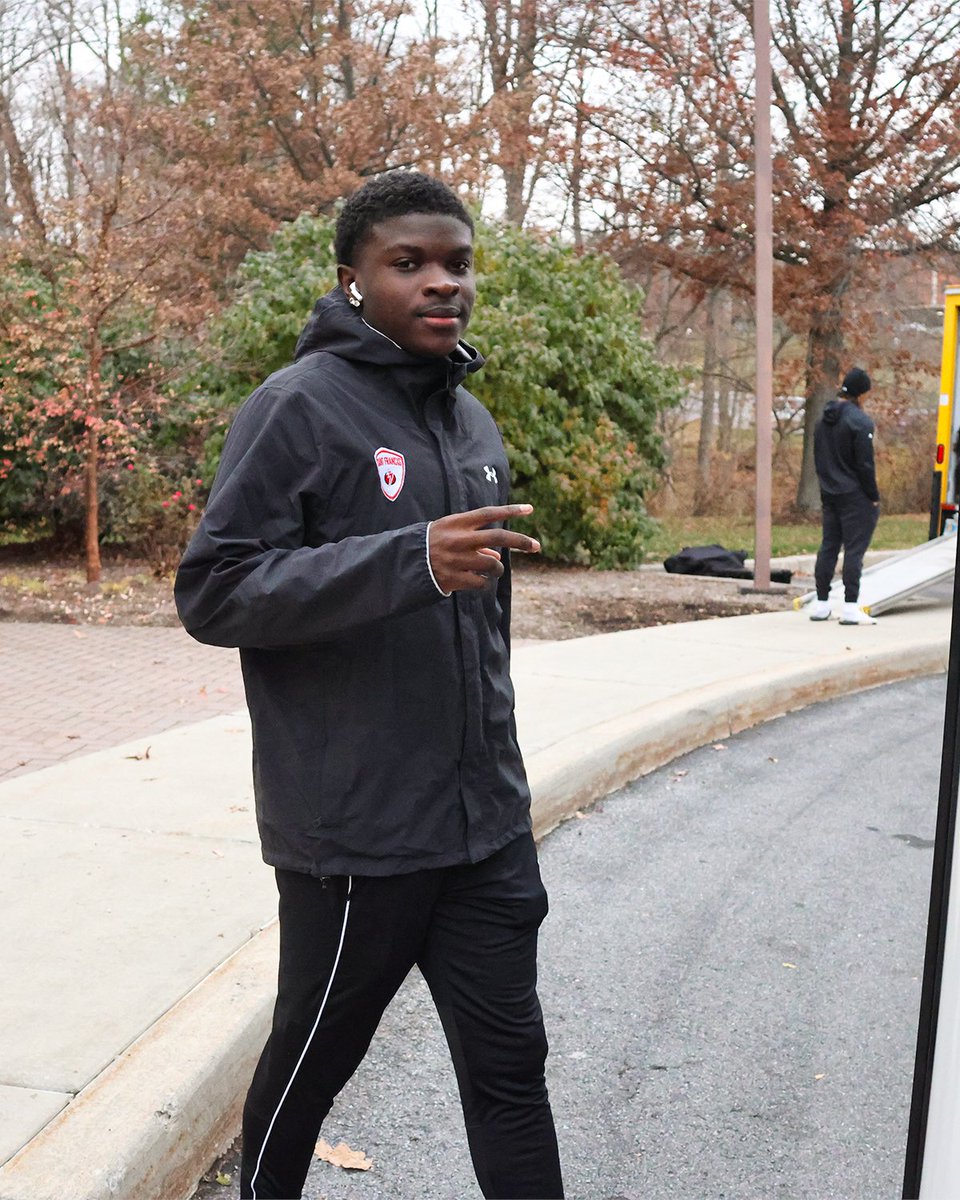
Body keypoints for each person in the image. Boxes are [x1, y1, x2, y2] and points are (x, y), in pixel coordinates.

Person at [174, 171, 564, 1200]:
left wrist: (505, 786)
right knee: (309, 1076)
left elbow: (485, 631)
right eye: (410, 264)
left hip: (483, 835)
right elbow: (214, 592)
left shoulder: (470, 423)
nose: (443, 284)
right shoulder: (296, 408)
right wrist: (406, 561)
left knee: (512, 1077)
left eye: (458, 263)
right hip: (357, 838)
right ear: (352, 280)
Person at [809, 367, 880, 625]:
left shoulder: (822, 420)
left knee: (828, 547)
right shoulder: (861, 422)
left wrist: (826, 486)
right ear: (861, 394)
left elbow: (818, 457)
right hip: (855, 496)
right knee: (854, 551)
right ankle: (850, 606)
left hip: (830, 493)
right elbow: (865, 464)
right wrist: (873, 496)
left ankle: (821, 603)